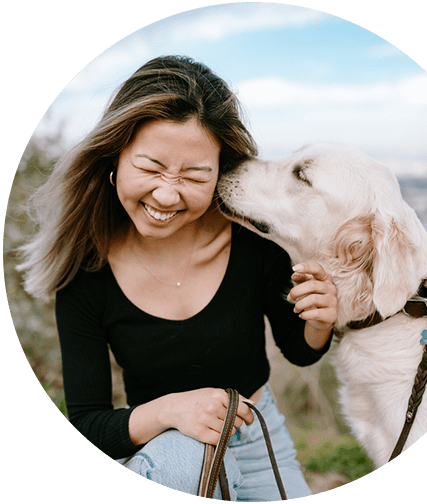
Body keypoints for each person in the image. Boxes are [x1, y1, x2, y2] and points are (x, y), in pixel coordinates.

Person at [18, 56, 338, 501]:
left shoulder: (255, 245)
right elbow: (87, 426)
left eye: (194, 175)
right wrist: (171, 411)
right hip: (164, 454)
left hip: (257, 441)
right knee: (186, 459)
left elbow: (299, 351)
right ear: (115, 159)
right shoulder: (85, 274)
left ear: (219, 174)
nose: (167, 194)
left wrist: (319, 320)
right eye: (150, 168)